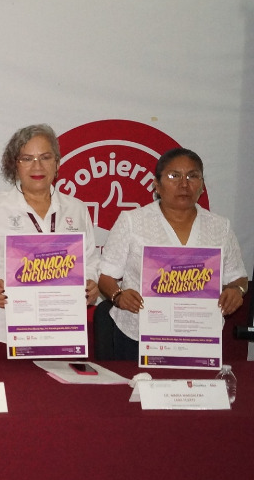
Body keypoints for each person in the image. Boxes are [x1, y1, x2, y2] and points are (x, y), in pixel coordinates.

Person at [0, 125, 99, 357]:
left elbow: (91, 261)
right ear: (14, 165)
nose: (37, 166)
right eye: (27, 158)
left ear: (57, 163)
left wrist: (91, 282)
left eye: (45, 157)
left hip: (62, 330)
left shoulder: (77, 209)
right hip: (1, 333)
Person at [97, 147, 248, 360]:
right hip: (138, 335)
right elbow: (105, 276)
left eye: (192, 176)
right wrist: (118, 296)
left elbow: (238, 277)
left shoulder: (220, 227)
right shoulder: (132, 221)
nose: (184, 184)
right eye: (174, 176)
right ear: (156, 185)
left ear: (202, 186)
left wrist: (236, 290)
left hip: (199, 334)